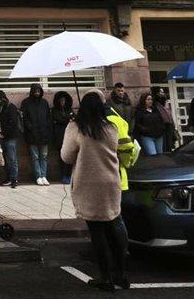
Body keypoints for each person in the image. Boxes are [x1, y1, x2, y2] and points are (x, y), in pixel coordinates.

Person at [61, 90, 129, 292]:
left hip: (89, 183)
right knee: (114, 225)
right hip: (111, 182)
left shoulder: (77, 127)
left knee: (97, 231)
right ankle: (121, 273)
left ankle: (105, 276)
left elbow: (66, 156)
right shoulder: (111, 127)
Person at [21, 84, 53, 185]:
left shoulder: (44, 103)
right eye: (35, 91)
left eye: (39, 91)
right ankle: (38, 176)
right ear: (32, 91)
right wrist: (30, 128)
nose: (37, 93)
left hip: (44, 133)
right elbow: (24, 118)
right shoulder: (26, 103)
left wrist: (47, 128)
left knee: (44, 155)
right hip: (32, 134)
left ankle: (44, 175)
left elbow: (48, 117)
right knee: (35, 156)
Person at [0, 90, 21, 188]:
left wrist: (3, 133)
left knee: (12, 159)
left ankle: (14, 179)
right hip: (1, 136)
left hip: (10, 137)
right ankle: (9, 178)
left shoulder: (11, 107)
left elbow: (13, 123)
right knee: (5, 159)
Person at [51, 91, 74, 184]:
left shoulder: (69, 109)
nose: (62, 102)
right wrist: (68, 119)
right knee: (62, 157)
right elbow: (58, 119)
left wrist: (68, 119)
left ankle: (69, 174)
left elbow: (74, 119)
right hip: (60, 136)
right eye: (61, 100)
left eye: (64, 100)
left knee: (70, 157)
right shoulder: (54, 110)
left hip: (70, 136)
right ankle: (63, 175)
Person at [151, 86, 177, 151]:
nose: (163, 94)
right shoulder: (154, 104)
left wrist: (173, 127)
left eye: (163, 92)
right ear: (156, 93)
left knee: (169, 145)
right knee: (164, 147)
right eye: (161, 92)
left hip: (169, 126)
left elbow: (169, 114)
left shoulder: (165, 102)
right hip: (161, 127)